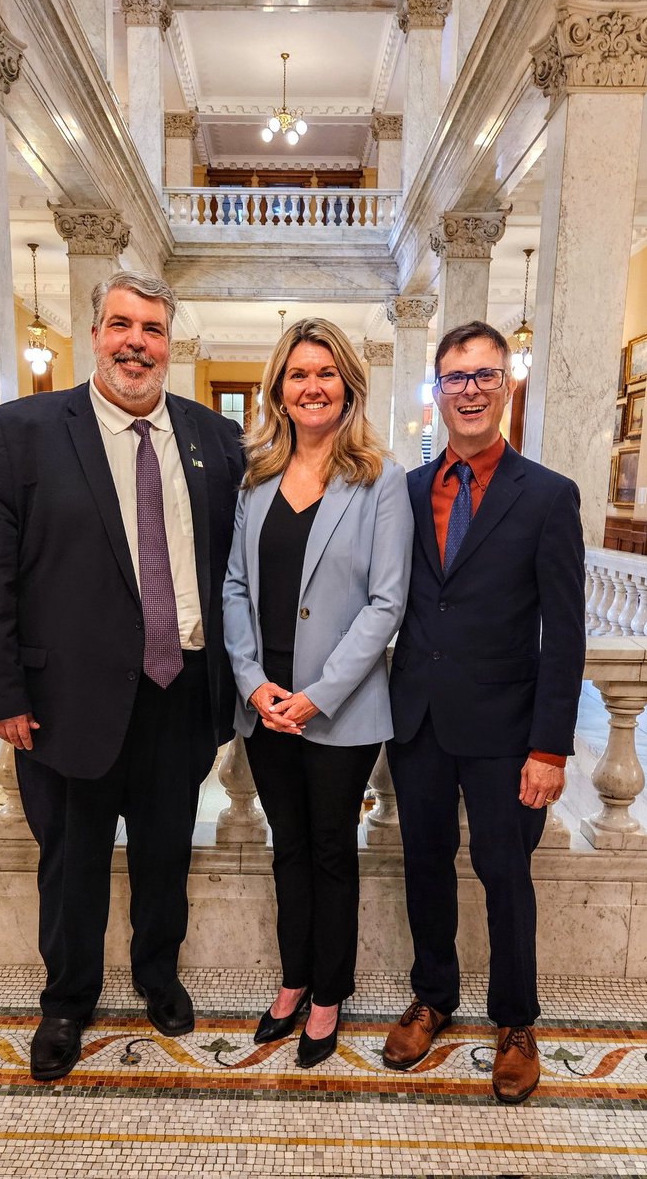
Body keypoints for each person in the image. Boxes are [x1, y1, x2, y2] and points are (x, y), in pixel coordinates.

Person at [0, 271, 244, 1081]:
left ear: (169, 342)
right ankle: (67, 1001)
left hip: (180, 690)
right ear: (94, 334)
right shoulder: (23, 431)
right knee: (72, 859)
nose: (136, 343)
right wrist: (2, 691)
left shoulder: (212, 438)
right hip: (64, 700)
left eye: (152, 329)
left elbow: (235, 562)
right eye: (121, 324)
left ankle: (159, 975)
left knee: (166, 852)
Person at [383, 320, 585, 1103]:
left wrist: (551, 747)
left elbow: (563, 635)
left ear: (506, 386)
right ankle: (433, 996)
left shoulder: (547, 496)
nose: (469, 390)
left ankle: (515, 1020)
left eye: (484, 376)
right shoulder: (404, 490)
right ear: (436, 392)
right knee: (423, 864)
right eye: (455, 377)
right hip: (418, 721)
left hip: (507, 730)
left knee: (504, 873)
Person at [223, 318, 413, 1068]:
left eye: (326, 373)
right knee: (287, 846)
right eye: (299, 374)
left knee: (332, 849)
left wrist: (318, 695)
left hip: (340, 709)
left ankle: (329, 992)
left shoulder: (380, 479)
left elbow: (387, 603)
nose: (312, 387)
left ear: (348, 387)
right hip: (265, 703)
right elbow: (235, 586)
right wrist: (254, 683)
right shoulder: (255, 478)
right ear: (279, 387)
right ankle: (293, 979)